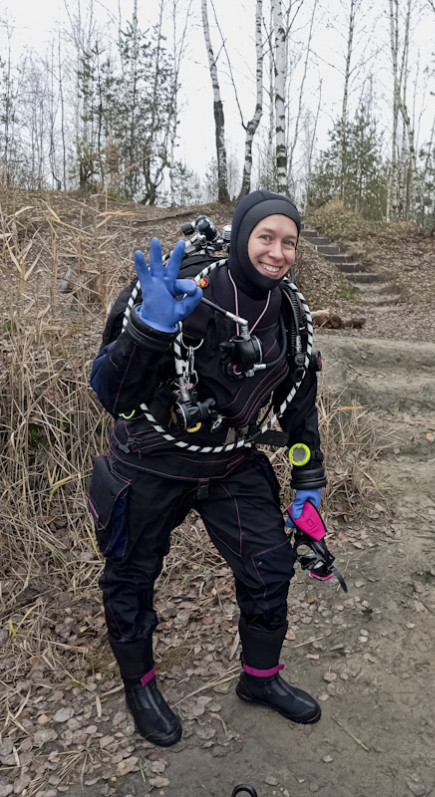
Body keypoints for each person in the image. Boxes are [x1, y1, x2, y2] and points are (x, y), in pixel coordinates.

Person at [88, 191, 328, 747]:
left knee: (270, 565)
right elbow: (111, 393)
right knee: (130, 573)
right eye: (265, 237)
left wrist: (308, 480)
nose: (277, 252)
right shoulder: (181, 287)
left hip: (230, 460)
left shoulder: (288, 311)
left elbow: (298, 402)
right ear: (243, 234)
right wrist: (149, 327)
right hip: (150, 457)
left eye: (288, 242)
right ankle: (140, 686)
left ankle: (260, 679)